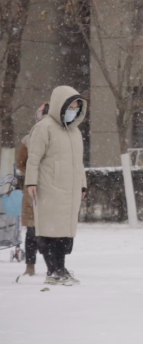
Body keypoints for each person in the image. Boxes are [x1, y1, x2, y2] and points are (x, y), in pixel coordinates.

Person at [25, 86, 87, 286]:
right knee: (50, 232)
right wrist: (31, 182)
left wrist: (82, 185)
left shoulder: (75, 132)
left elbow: (79, 163)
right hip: (49, 188)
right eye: (71, 106)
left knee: (65, 234)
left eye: (77, 107)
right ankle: (53, 270)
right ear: (61, 104)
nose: (74, 110)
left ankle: (61, 268)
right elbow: (33, 159)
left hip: (70, 192)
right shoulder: (44, 127)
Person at [16, 103, 49, 277]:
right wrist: (33, 175)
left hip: (52, 190)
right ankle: (30, 265)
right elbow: (21, 163)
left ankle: (53, 265)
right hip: (32, 191)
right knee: (32, 231)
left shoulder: (58, 138)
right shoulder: (28, 139)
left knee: (51, 231)